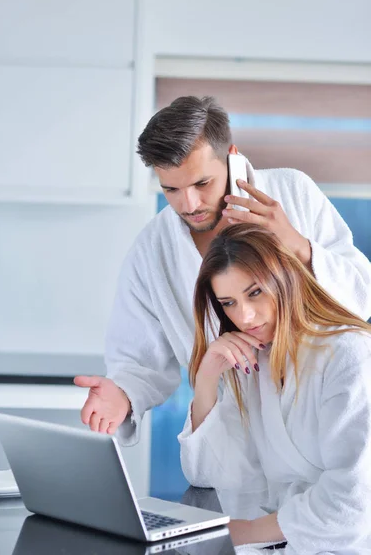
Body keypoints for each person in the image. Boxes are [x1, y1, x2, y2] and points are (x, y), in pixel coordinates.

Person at [74, 96, 371, 445]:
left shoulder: (292, 192)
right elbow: (139, 359)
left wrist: (297, 245)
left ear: (230, 156)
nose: (190, 205)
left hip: (321, 422)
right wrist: (122, 394)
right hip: (232, 444)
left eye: (202, 184)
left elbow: (361, 298)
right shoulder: (153, 248)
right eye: (171, 189)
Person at [179, 222, 371, 553]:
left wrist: (250, 531)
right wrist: (206, 379)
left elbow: (352, 503)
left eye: (255, 292)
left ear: (286, 277)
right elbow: (206, 476)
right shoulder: (252, 361)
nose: (246, 316)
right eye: (228, 303)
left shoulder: (350, 354)